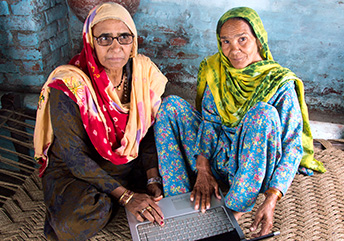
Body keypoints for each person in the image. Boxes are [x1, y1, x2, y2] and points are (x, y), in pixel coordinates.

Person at [154, 6, 326, 238]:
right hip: (217, 156)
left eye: (242, 39)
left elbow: (292, 147)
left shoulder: (279, 82)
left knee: (262, 114)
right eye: (225, 41)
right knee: (170, 105)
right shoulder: (217, 70)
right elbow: (210, 122)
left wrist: (272, 198)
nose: (234, 49)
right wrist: (203, 168)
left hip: (251, 167)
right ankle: (180, 200)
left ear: (258, 39)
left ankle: (233, 211)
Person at [33, 3, 168, 240]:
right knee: (71, 224)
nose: (116, 47)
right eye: (104, 38)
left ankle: (115, 193)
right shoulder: (69, 85)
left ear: (133, 42)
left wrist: (152, 178)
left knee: (172, 186)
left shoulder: (143, 74)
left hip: (123, 163)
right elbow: (75, 157)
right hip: (74, 170)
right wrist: (126, 196)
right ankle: (114, 196)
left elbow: (145, 135)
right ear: (90, 41)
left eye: (123, 37)